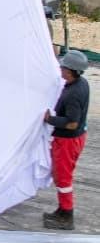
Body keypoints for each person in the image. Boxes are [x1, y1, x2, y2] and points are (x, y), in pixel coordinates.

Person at [43, 49, 91, 230]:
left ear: (70, 71)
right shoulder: (82, 83)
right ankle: (63, 210)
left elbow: (71, 124)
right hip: (75, 138)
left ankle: (66, 215)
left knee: (63, 177)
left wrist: (50, 119)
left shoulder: (73, 94)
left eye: (63, 67)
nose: (60, 70)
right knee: (61, 174)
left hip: (68, 141)